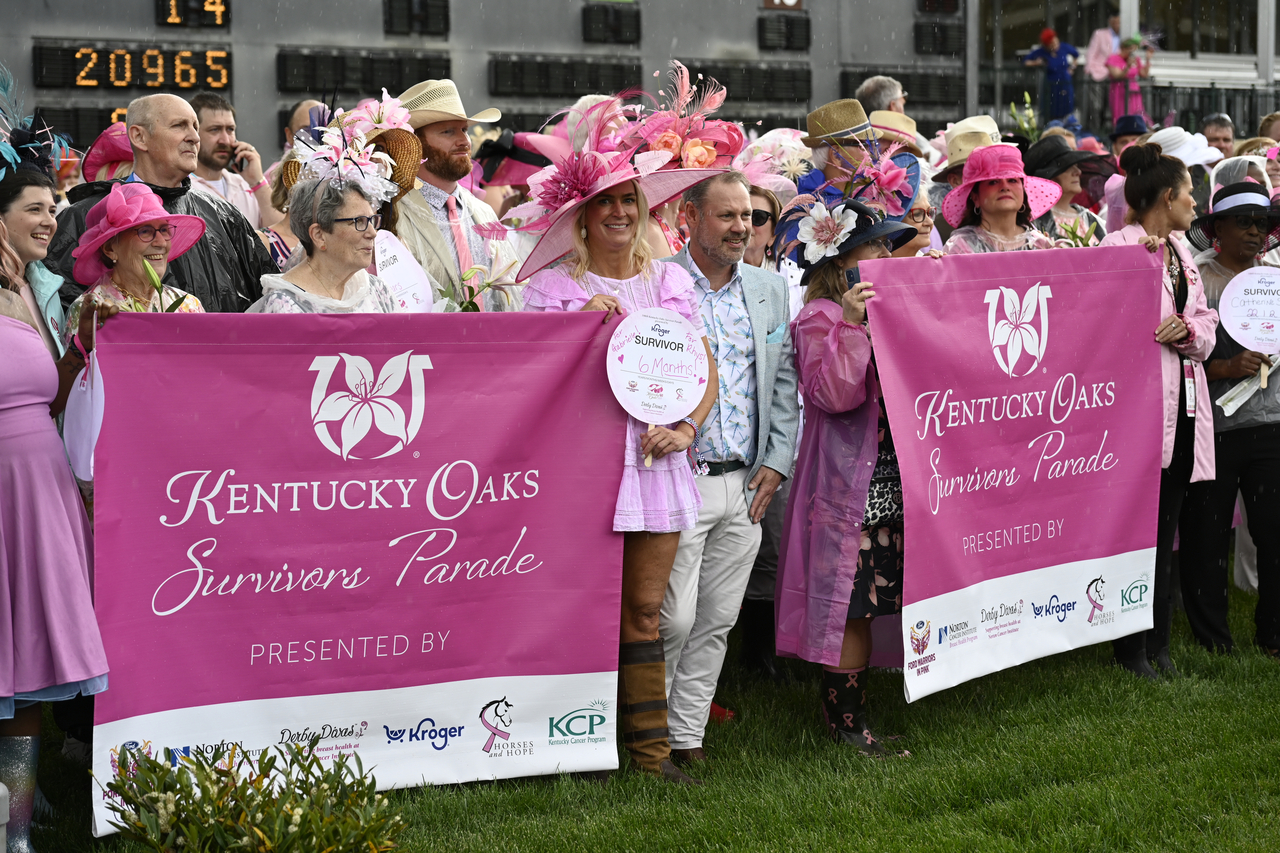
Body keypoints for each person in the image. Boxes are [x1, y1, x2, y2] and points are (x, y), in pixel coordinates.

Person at [514, 140, 721, 784]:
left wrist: (686, 427)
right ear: (579, 214)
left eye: (628, 199)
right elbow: (529, 380)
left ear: (644, 208)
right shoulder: (553, 288)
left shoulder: (671, 281)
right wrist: (576, 326)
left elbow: (701, 369)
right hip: (582, 466)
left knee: (642, 611)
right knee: (583, 604)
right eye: (603, 201)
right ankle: (583, 745)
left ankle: (652, 756)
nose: (618, 211)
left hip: (654, 462)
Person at [661, 170, 799, 766]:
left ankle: (686, 737)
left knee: (717, 618)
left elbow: (785, 380)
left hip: (747, 483)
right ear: (690, 218)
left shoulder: (769, 288)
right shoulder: (661, 281)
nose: (743, 227)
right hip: (678, 479)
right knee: (673, 618)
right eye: (728, 216)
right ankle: (646, 734)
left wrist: (777, 460)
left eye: (748, 216)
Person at [773, 196, 917, 755]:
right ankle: (847, 727)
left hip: (894, 480)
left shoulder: (891, 306)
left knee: (873, 597)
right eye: (877, 243)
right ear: (840, 260)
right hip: (847, 489)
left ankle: (859, 720)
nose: (888, 252)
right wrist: (852, 326)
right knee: (850, 603)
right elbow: (833, 395)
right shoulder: (818, 318)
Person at [1099, 142, 1219, 679]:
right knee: (1135, 529)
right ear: (1167, 196)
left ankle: (1159, 643)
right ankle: (1130, 647)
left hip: (1185, 406)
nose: (1196, 204)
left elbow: (1206, 323)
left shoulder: (1183, 251)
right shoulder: (1116, 247)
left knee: (1166, 523)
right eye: (1190, 193)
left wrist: (1188, 331)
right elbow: (1101, 328)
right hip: (1139, 413)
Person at [47, 94, 277, 314]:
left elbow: (268, 302)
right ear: (139, 137)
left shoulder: (225, 216)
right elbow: (62, 319)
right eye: (179, 125)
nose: (194, 137)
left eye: (196, 127)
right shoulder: (84, 217)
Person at [1179, 182, 1280, 657]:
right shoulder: (1197, 279)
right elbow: (1176, 355)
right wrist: (1224, 367)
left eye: (1261, 223)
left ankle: (1274, 634)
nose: (1254, 232)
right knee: (1206, 535)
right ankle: (1212, 640)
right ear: (1217, 227)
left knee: (1274, 532)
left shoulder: (1276, 278)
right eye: (1243, 221)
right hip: (1213, 430)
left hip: (1272, 426)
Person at [392, 79, 519, 310]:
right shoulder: (393, 215)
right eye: (448, 131)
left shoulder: (483, 211)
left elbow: (512, 296)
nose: (463, 141)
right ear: (415, 144)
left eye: (464, 130)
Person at [65, 182, 206, 332]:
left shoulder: (189, 306)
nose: (161, 242)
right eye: (145, 231)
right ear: (110, 248)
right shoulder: (90, 312)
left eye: (164, 230)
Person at [941, 145, 1060, 254]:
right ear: (975, 197)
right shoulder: (961, 247)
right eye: (993, 182)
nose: (1005, 187)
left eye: (1012, 180)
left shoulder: (1040, 245)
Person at [188, 92, 279, 229]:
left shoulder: (246, 184)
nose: (225, 140)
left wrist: (257, 182)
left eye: (230, 129)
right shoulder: (181, 188)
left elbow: (281, 236)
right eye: (214, 130)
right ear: (193, 134)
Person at [1024, 134, 1110, 245]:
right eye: (1067, 167)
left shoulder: (1091, 219)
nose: (1078, 172)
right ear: (1049, 176)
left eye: (1076, 165)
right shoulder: (1034, 224)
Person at [855, 77, 941, 167]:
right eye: (902, 102)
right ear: (893, 107)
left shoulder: (849, 144)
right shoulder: (906, 136)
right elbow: (936, 159)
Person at [1023, 29, 1080, 123]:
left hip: (1065, 82)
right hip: (1051, 85)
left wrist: (1072, 68)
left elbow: (1076, 54)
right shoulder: (1042, 51)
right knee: (1051, 109)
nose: (1055, 45)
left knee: (1065, 109)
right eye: (1052, 44)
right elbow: (1026, 62)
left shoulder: (1064, 47)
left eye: (1055, 42)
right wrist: (1036, 63)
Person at [1106, 36, 1151, 123]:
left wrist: (1147, 59)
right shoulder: (1113, 58)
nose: (1132, 52)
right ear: (1123, 48)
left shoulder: (1135, 59)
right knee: (1121, 113)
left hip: (1133, 90)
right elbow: (1117, 76)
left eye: (1134, 49)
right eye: (1130, 49)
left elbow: (1144, 74)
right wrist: (1127, 66)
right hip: (1119, 90)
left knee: (1136, 113)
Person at [1085, 12, 1123, 83]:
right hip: (1100, 72)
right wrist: (1089, 68)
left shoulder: (1124, 36)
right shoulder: (1099, 34)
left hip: (1118, 73)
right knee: (1097, 93)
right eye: (1114, 22)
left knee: (1114, 94)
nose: (1117, 24)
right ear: (1110, 22)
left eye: (1118, 22)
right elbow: (1091, 52)